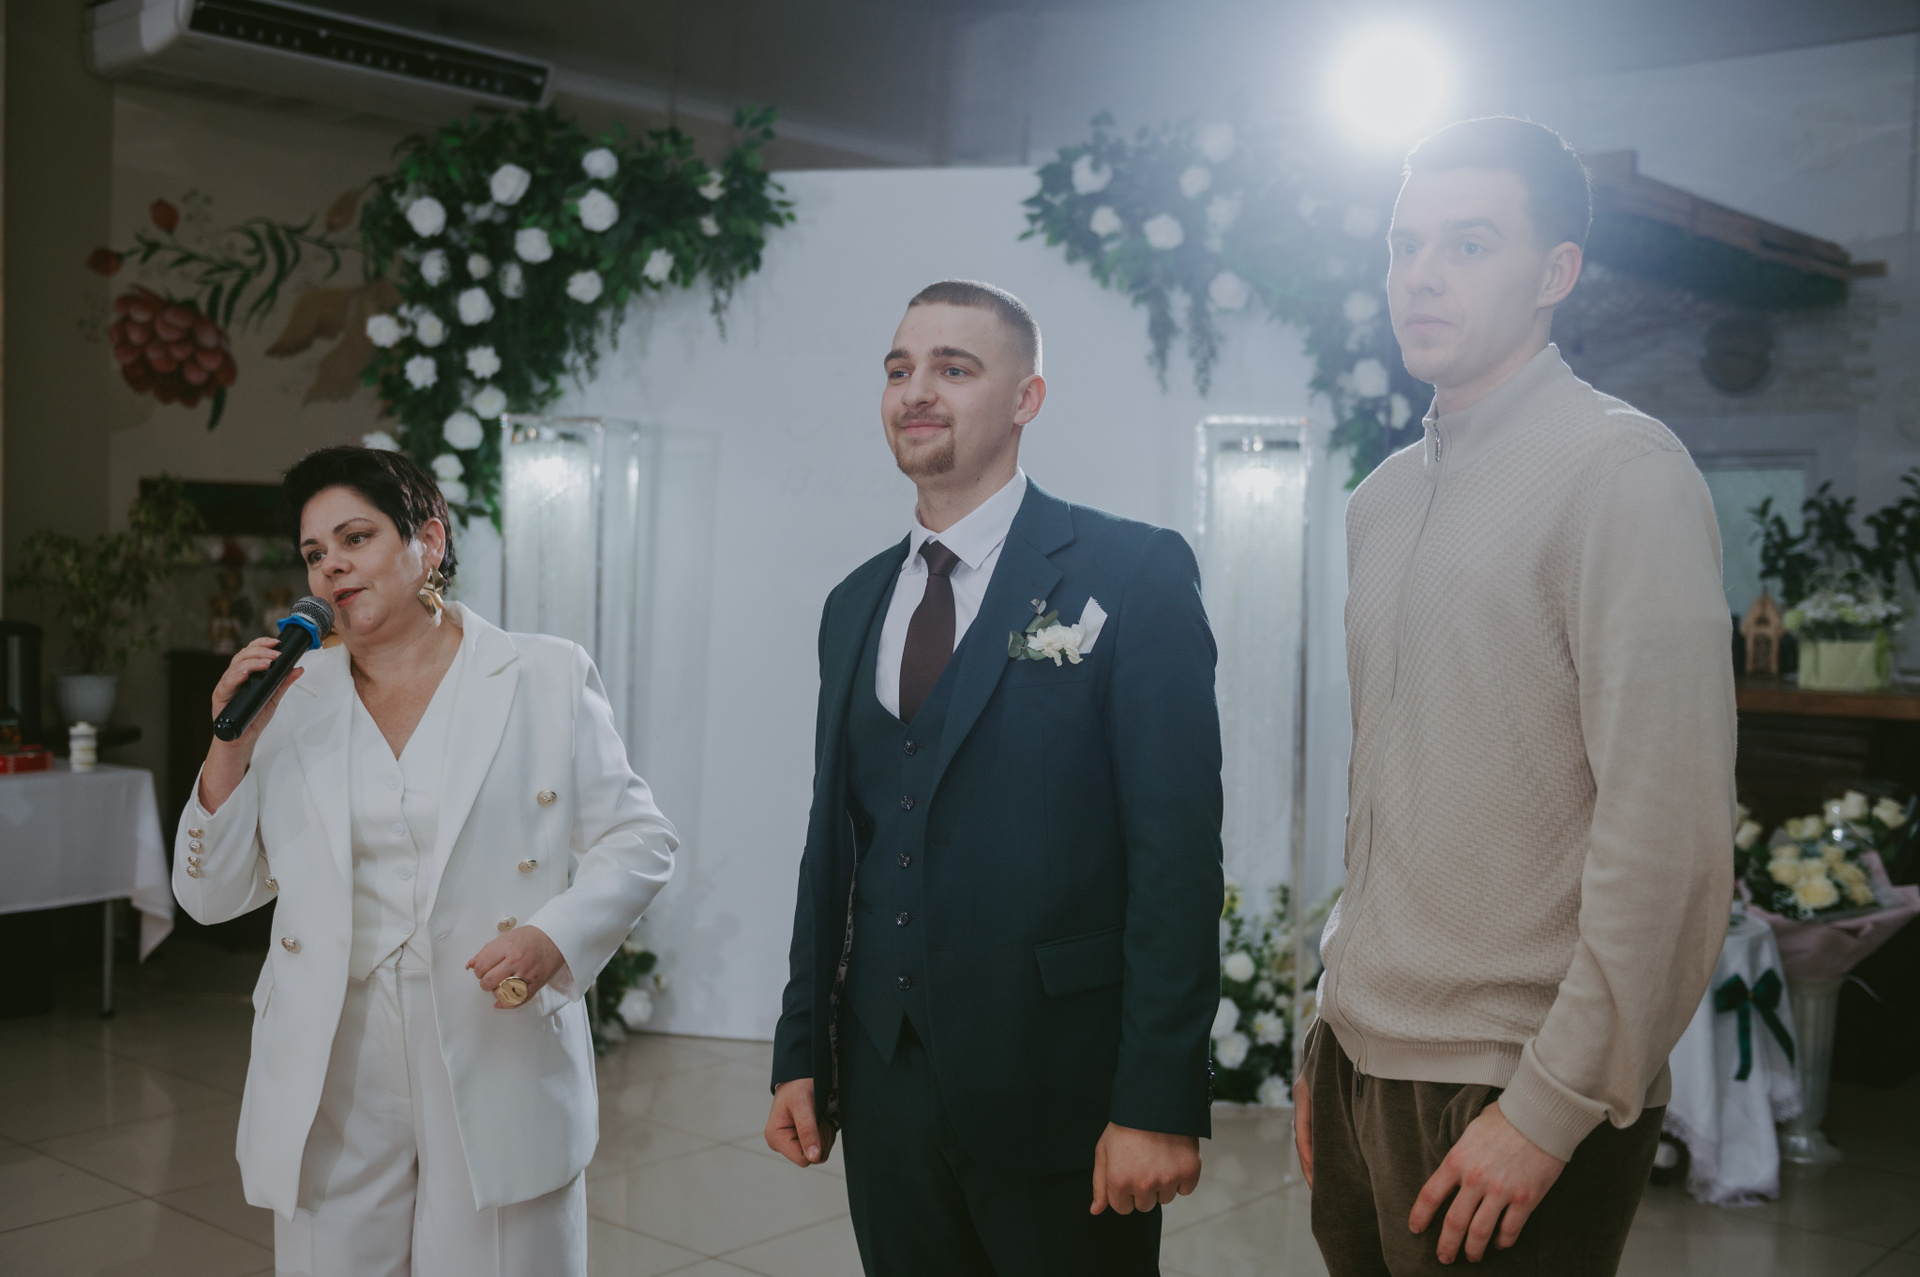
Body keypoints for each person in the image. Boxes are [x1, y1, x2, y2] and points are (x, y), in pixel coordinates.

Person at [1293, 116, 1736, 1275]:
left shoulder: (1622, 472)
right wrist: (1328, 1031)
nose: (1422, 274)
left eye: (1471, 243)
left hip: (1511, 1074)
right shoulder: (1382, 499)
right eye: (1406, 244)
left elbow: (1672, 836)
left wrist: (1552, 1104)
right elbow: (1389, 794)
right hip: (1362, 1057)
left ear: (1555, 273)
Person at [763, 280, 1224, 1274]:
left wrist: (1157, 1100)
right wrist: (802, 1051)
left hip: (1061, 1083)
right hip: (884, 1085)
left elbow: (1177, 858)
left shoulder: (1130, 572)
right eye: (899, 368)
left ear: (1027, 398)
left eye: (954, 368)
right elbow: (833, 845)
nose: (916, 391)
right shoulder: (853, 603)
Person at [173, 446, 677, 1276]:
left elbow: (639, 836)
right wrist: (230, 745)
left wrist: (555, 934)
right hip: (334, 1050)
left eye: (356, 537)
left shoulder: (543, 675)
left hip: (492, 1021)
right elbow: (209, 896)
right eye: (314, 552)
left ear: (429, 541)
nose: (331, 565)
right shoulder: (292, 699)